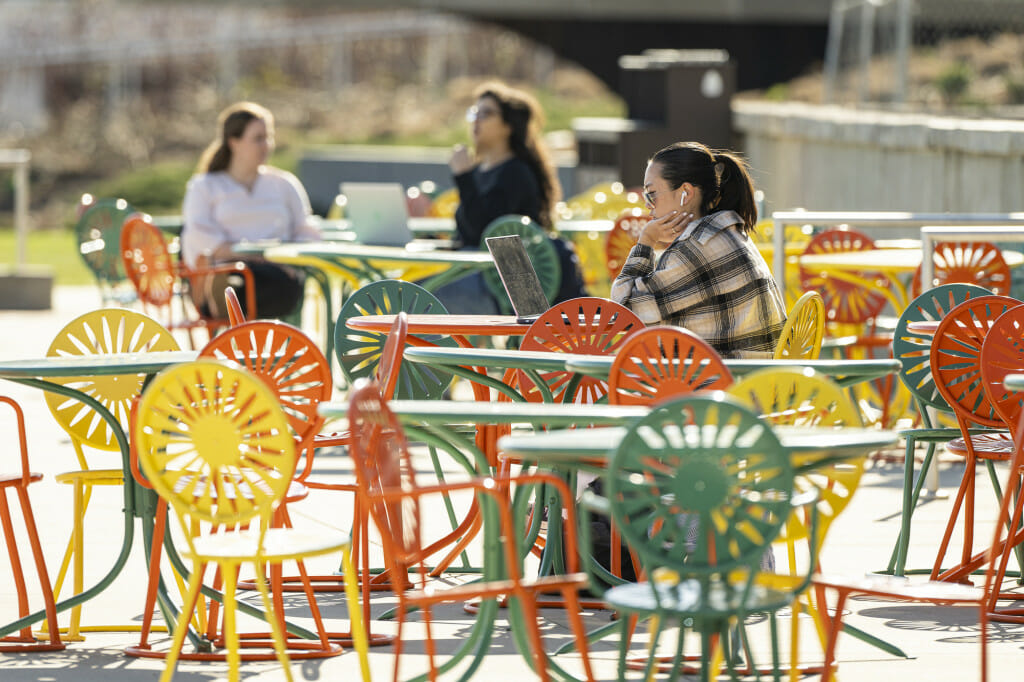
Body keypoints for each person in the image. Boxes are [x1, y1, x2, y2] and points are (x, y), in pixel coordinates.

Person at [610, 141, 786, 359]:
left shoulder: (693, 250)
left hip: (718, 388)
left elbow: (623, 314)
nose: (648, 204)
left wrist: (647, 239)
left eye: (652, 194)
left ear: (686, 192)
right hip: (754, 382)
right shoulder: (728, 232)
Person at [436, 81, 585, 313]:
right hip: (475, 272)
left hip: (503, 287)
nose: (476, 119)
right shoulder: (478, 170)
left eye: (487, 113)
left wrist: (463, 177)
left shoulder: (516, 173)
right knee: (402, 290)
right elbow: (467, 232)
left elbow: (483, 231)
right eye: (475, 112)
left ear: (508, 126)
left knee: (410, 297)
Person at [182, 101, 321, 319]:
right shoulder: (204, 186)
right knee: (240, 277)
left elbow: (305, 228)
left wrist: (293, 258)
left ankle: (230, 303)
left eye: (269, 137)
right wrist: (254, 255)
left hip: (277, 270)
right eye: (258, 138)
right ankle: (223, 297)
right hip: (225, 269)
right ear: (234, 142)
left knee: (283, 284)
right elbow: (200, 237)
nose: (266, 145)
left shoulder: (284, 183)